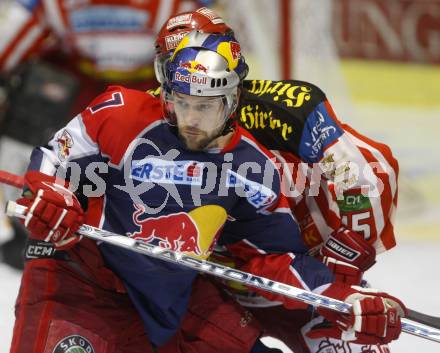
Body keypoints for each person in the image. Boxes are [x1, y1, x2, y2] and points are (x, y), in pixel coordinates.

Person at [9, 30, 406, 353]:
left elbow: (276, 260)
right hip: (82, 284)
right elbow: (53, 159)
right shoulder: (119, 111)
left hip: (168, 297)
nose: (192, 121)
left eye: (207, 106)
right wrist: (51, 196)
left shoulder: (253, 167)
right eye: (182, 103)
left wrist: (343, 300)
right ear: (167, 96)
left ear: (233, 101)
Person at [149, 9, 401, 353]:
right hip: (211, 291)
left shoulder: (285, 109)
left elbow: (369, 173)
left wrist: (346, 255)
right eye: (173, 67)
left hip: (307, 279)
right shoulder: (146, 121)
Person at [0, 0, 207, 269]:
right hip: (80, 85)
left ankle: (159, 229)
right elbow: (10, 47)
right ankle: (34, 223)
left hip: (149, 88)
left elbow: (204, 49)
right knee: (35, 102)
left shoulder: (178, 6)